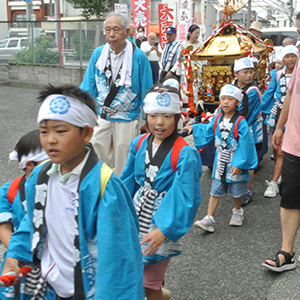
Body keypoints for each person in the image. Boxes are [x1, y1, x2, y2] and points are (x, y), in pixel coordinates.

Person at [1, 85, 144, 299]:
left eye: (61, 131)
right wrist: (15, 254)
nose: (50, 140)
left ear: (87, 133)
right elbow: (31, 223)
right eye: (44, 131)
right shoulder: (40, 176)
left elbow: (118, 256)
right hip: (49, 284)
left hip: (91, 290)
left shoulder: (104, 186)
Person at [120, 81, 202, 300]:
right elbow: (127, 181)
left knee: (149, 283)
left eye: (167, 116)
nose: (159, 122)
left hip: (163, 218)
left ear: (177, 118)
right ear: (146, 116)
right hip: (138, 213)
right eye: (154, 115)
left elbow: (186, 197)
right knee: (135, 273)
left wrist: (165, 229)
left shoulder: (184, 153)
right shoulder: (138, 144)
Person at [80, 12, 153, 176]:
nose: (111, 34)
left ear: (127, 32)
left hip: (127, 118)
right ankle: (101, 187)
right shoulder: (98, 54)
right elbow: (88, 85)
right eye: (108, 30)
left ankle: (122, 193)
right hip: (102, 115)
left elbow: (147, 90)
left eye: (116, 29)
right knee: (95, 152)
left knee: (124, 160)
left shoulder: (139, 57)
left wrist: (148, 118)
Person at [186, 84, 257, 232]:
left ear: (237, 102)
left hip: (234, 159)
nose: (225, 102)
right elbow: (208, 129)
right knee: (215, 190)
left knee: (237, 190)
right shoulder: (218, 118)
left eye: (230, 99)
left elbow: (245, 143)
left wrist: (239, 162)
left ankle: (238, 211)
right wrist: (193, 128)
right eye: (223, 98)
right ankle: (209, 218)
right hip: (220, 159)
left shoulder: (240, 121)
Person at [0, 130, 54, 300]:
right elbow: (3, 227)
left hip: (56, 261)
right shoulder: (10, 190)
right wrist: (19, 253)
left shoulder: (63, 188)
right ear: (30, 164)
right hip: (19, 264)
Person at [262, 49, 300, 272]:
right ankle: (287, 252)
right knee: (290, 194)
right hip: (295, 140)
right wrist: (279, 127)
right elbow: (291, 95)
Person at [263, 45, 299, 197]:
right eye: (287, 56)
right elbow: (270, 93)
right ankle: (275, 181)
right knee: (280, 150)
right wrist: (261, 110)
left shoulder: (297, 73)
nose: (290, 59)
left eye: (293, 56)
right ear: (282, 59)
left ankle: (281, 177)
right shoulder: (278, 75)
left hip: (296, 114)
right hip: (281, 114)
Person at [232, 57, 262, 206]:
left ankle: (247, 191)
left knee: (248, 161)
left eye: (251, 72)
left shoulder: (252, 90)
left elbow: (243, 111)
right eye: (245, 72)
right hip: (237, 125)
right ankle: (238, 188)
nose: (249, 75)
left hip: (248, 127)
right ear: (236, 73)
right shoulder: (233, 87)